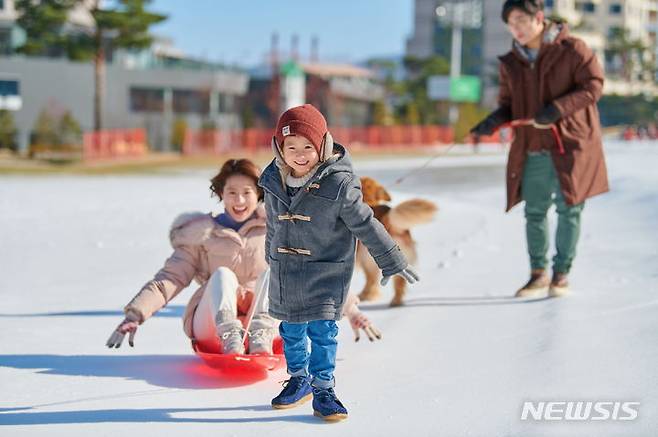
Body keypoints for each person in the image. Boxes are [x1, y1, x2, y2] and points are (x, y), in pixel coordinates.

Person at [106, 158, 382, 355]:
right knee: (223, 275)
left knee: (279, 270)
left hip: (266, 324)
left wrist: (351, 309)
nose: (239, 201)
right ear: (221, 195)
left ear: (259, 194)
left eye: (246, 193)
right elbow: (171, 277)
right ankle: (231, 334)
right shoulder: (200, 234)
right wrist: (136, 313)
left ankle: (260, 332)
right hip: (212, 326)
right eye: (232, 193)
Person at [259, 104, 419, 421]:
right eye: (291, 147)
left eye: (308, 146)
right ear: (280, 148)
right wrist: (271, 257)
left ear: (324, 146)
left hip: (325, 273)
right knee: (290, 332)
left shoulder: (339, 184)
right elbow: (273, 225)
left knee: (322, 332)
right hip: (285, 272)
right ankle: (299, 379)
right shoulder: (273, 180)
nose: (300, 154)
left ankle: (323, 387)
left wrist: (391, 258)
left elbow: (366, 223)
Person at [469, 0, 609, 298]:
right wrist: (492, 121)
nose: (515, 28)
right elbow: (508, 105)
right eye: (510, 23)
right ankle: (537, 275)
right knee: (534, 211)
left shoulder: (573, 49)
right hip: (531, 145)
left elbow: (594, 85)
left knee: (569, 208)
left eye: (521, 19)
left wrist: (557, 109)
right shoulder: (512, 62)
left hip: (570, 144)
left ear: (540, 18)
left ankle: (561, 274)